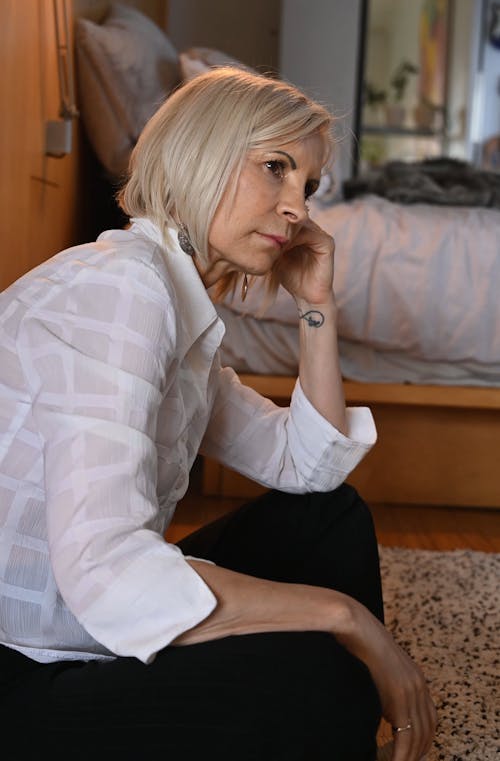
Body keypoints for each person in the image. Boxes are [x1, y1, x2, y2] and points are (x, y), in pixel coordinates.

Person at [0, 67, 436, 761]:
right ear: (201, 151)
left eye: (310, 185)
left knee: (330, 517)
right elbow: (108, 573)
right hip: (27, 666)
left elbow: (309, 467)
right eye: (275, 168)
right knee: (316, 660)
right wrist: (344, 618)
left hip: (87, 625)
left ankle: (332, 720)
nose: (298, 208)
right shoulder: (121, 291)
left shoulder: (174, 306)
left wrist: (315, 306)